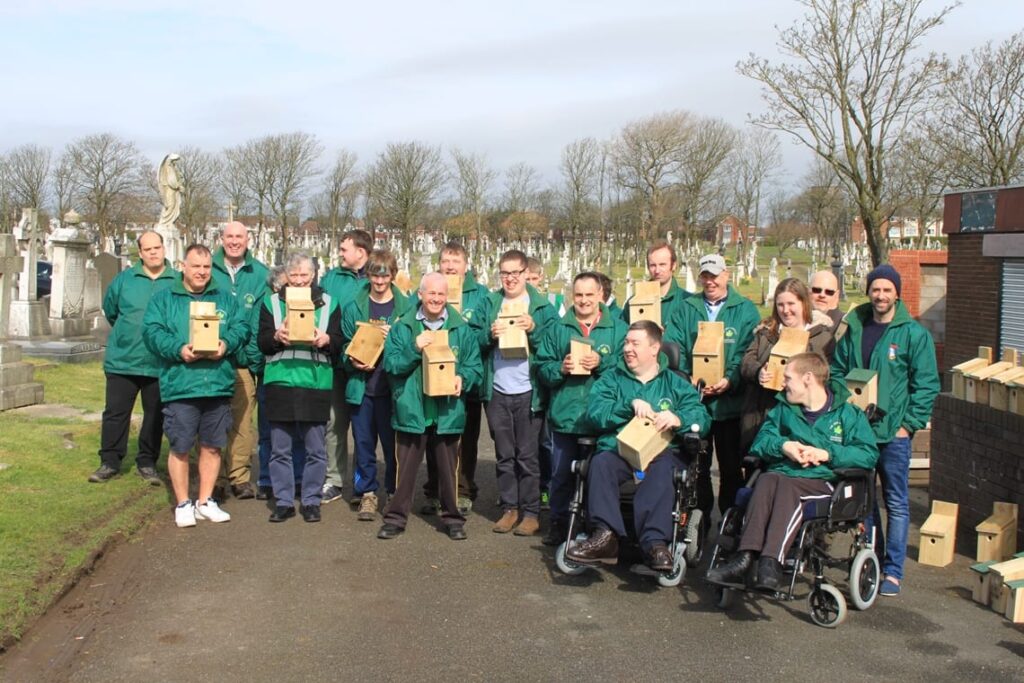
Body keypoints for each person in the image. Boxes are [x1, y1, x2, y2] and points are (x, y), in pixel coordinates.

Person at [706, 352, 878, 590]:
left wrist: (827, 453)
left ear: (808, 378)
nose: (783, 383)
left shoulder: (846, 415)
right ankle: (746, 557)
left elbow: (868, 454)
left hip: (823, 481)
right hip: (781, 476)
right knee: (767, 480)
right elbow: (761, 442)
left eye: (788, 378)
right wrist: (783, 446)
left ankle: (771, 560)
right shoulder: (784, 410)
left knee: (784, 484)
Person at [565, 321, 711, 571]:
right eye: (626, 342)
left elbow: (702, 418)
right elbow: (595, 415)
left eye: (635, 343)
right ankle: (604, 536)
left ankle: (655, 543)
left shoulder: (675, 383)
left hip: (662, 453)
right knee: (600, 463)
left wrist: (679, 419)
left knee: (664, 468)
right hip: (620, 450)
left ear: (655, 349)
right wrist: (627, 405)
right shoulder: (612, 379)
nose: (627, 349)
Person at [831, 264, 939, 597]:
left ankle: (893, 571)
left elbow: (926, 386)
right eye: (876, 289)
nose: (880, 295)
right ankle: (872, 560)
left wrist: (909, 425)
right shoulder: (855, 328)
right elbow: (837, 371)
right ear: (869, 291)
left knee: (896, 501)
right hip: (859, 433)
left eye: (887, 290)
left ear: (897, 293)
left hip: (894, 435)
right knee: (864, 500)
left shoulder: (913, 334)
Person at [143, 244, 247, 528]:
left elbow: (241, 328)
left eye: (206, 267)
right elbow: (152, 332)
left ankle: (205, 501)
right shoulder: (164, 299)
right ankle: (182, 503)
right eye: (196, 266)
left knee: (213, 447)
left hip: (216, 383)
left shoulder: (225, 299)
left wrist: (226, 344)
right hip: (181, 384)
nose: (201, 272)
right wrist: (178, 349)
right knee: (180, 446)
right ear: (183, 267)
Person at [377, 273, 482, 541]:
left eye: (441, 294)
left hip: (447, 411)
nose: (436, 299)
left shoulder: (462, 329)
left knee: (449, 471)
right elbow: (391, 365)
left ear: (447, 297)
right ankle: (395, 518)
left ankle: (452, 518)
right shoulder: (404, 328)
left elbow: (475, 368)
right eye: (431, 293)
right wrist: (414, 347)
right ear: (421, 295)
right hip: (413, 409)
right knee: (406, 471)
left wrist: (463, 378)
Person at [536, 272, 628, 545]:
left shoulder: (618, 330)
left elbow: (628, 369)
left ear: (601, 295)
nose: (584, 300)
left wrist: (602, 362)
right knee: (562, 474)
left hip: (602, 419)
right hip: (566, 416)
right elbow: (542, 367)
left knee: (598, 477)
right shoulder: (558, 328)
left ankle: (595, 526)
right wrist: (560, 368)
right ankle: (559, 522)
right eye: (579, 295)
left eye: (590, 294)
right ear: (571, 297)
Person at [670, 253, 760, 521]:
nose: (710, 281)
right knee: (697, 465)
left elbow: (747, 351)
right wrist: (688, 378)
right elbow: (675, 346)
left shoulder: (745, 310)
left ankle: (730, 520)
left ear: (727, 275)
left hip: (730, 407)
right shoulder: (686, 308)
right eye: (706, 276)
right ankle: (700, 516)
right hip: (697, 405)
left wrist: (730, 380)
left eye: (715, 275)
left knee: (732, 468)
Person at [257, 252, 342, 523]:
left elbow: (340, 344)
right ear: (286, 277)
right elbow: (261, 342)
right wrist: (276, 337)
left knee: (315, 449)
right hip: (280, 381)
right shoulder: (271, 303)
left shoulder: (330, 303)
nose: (299, 281)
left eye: (304, 275)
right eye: (294, 276)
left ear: (313, 275)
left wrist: (327, 339)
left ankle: (311, 500)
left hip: (315, 382)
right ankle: (283, 501)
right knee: (280, 448)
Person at [90, 231, 178, 484]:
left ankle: (147, 462)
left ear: (164, 249)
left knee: (155, 415)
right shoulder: (124, 280)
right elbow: (112, 310)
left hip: (158, 363)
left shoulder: (176, 281)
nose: (153, 252)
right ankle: (109, 461)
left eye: (157, 247)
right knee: (116, 414)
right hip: (123, 360)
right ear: (140, 253)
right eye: (147, 249)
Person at [483, 250, 557, 536]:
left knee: (527, 456)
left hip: (528, 390)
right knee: (504, 454)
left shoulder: (542, 308)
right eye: (505, 273)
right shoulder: (490, 303)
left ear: (527, 273)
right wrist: (489, 334)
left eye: (516, 272)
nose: (510, 278)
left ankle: (530, 512)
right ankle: (509, 508)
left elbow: (553, 345)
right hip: (498, 389)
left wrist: (534, 330)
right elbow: (473, 339)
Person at [421, 242, 491, 515]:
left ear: (466, 265)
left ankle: (463, 489)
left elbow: (486, 334)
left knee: (465, 439)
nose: (450, 266)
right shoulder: (434, 290)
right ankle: (434, 489)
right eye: (446, 261)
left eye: (456, 261)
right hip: (433, 375)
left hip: (466, 378)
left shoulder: (481, 295)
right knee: (433, 435)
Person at [342, 249, 411, 521]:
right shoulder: (354, 306)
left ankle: (393, 492)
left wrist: (393, 335)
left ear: (393, 276)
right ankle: (367, 493)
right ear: (368, 275)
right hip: (362, 387)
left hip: (392, 389)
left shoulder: (405, 308)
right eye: (375, 276)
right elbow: (343, 346)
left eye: (385, 276)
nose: (380, 282)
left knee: (392, 446)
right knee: (363, 443)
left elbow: (413, 345)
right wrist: (353, 361)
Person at [739, 278, 835, 451]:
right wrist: (758, 372)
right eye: (780, 305)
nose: (786, 310)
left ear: (803, 303)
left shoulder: (822, 337)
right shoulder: (766, 332)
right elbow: (747, 361)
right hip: (760, 413)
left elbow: (829, 375)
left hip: (800, 418)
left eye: (791, 304)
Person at [211, 221, 269, 500]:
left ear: (248, 240)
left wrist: (257, 359)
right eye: (229, 236)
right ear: (222, 239)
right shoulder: (206, 269)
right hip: (210, 359)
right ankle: (216, 477)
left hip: (244, 360)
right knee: (211, 421)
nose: (235, 241)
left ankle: (239, 476)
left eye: (240, 237)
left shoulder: (260, 274)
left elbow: (264, 316)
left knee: (242, 421)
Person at [319, 229, 371, 504]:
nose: (340, 254)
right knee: (335, 424)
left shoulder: (377, 277)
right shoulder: (331, 278)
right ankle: (335, 479)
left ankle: (364, 484)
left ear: (360, 253)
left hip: (366, 365)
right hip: (336, 361)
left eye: (344, 249)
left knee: (364, 428)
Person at [253, 266, 305, 500]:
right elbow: (259, 337)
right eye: (285, 284)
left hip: (300, 374)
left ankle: (296, 479)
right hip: (271, 372)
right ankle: (267, 478)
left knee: (297, 431)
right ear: (276, 287)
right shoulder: (268, 304)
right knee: (269, 432)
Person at [621, 240, 689, 343]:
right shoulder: (634, 302)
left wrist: (665, 336)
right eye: (653, 265)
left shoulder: (686, 301)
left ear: (674, 265)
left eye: (662, 265)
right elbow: (622, 337)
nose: (657, 271)